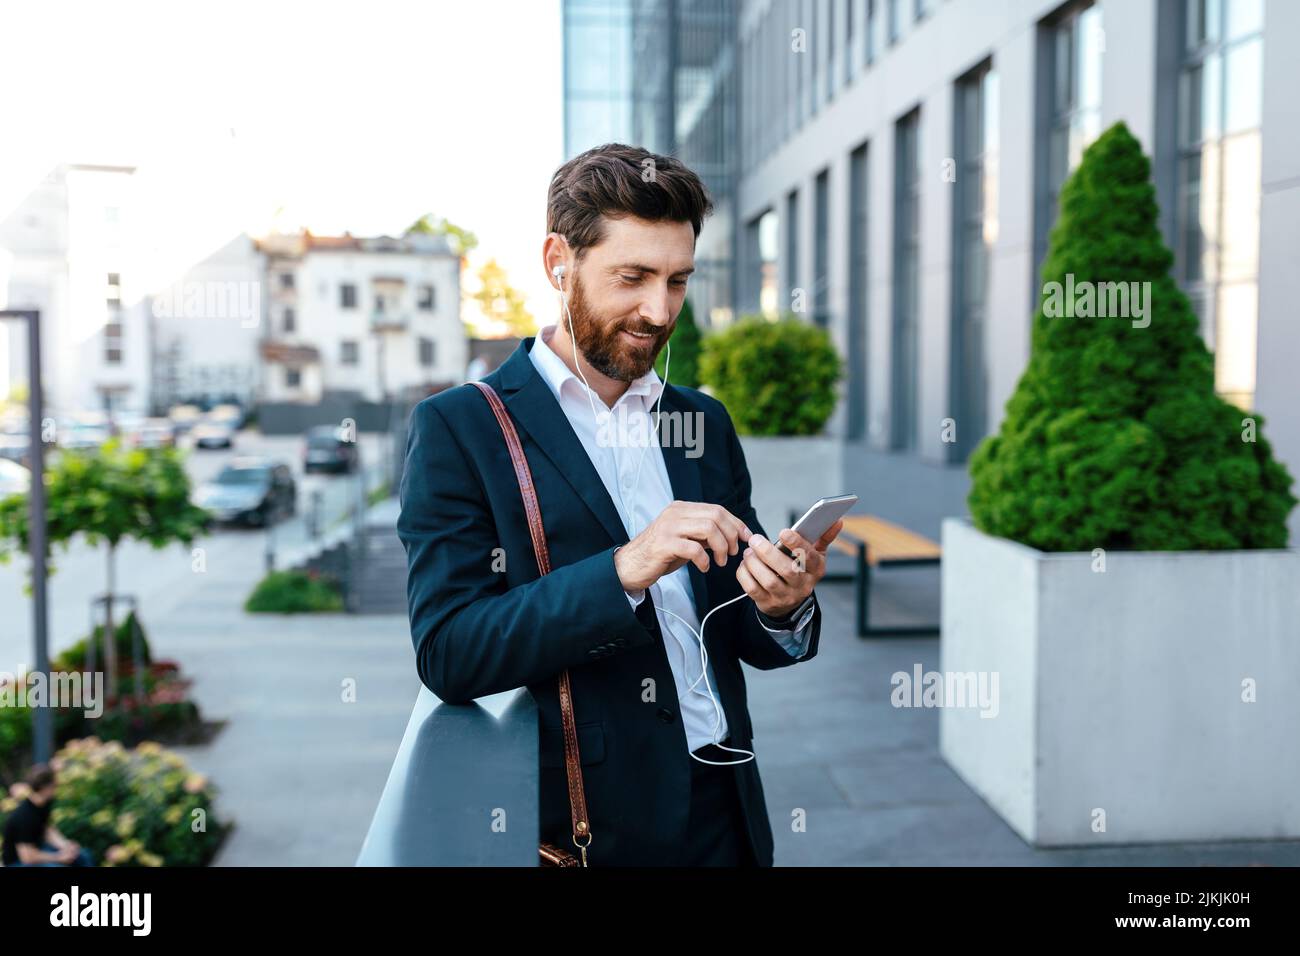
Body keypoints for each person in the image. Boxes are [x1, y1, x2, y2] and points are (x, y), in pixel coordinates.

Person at [397, 143, 843, 867]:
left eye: (677, 280)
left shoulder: (702, 422)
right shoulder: (462, 427)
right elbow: (450, 651)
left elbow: (742, 633)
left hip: (728, 807)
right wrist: (628, 567)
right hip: (598, 832)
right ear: (557, 262)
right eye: (632, 277)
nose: (658, 310)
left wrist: (779, 603)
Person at [2, 764, 95, 867]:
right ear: (44, 788)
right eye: (54, 786)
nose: (56, 789)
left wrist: (66, 846)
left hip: (38, 851)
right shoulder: (23, 816)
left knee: (83, 855)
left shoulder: (44, 804)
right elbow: (28, 857)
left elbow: (47, 830)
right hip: (18, 862)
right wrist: (58, 858)